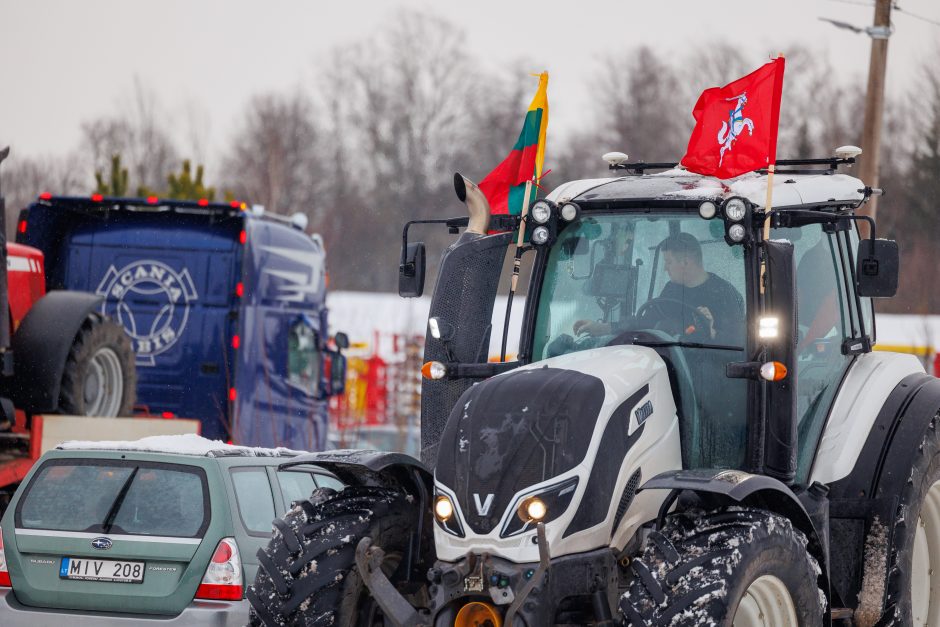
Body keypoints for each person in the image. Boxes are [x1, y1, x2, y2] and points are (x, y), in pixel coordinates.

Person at [574, 232, 744, 343]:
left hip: (708, 375)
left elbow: (737, 345)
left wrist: (713, 332)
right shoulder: (672, 289)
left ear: (685, 262)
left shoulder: (725, 295)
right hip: (670, 364)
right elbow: (645, 322)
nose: (665, 268)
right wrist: (603, 328)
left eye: (668, 262)